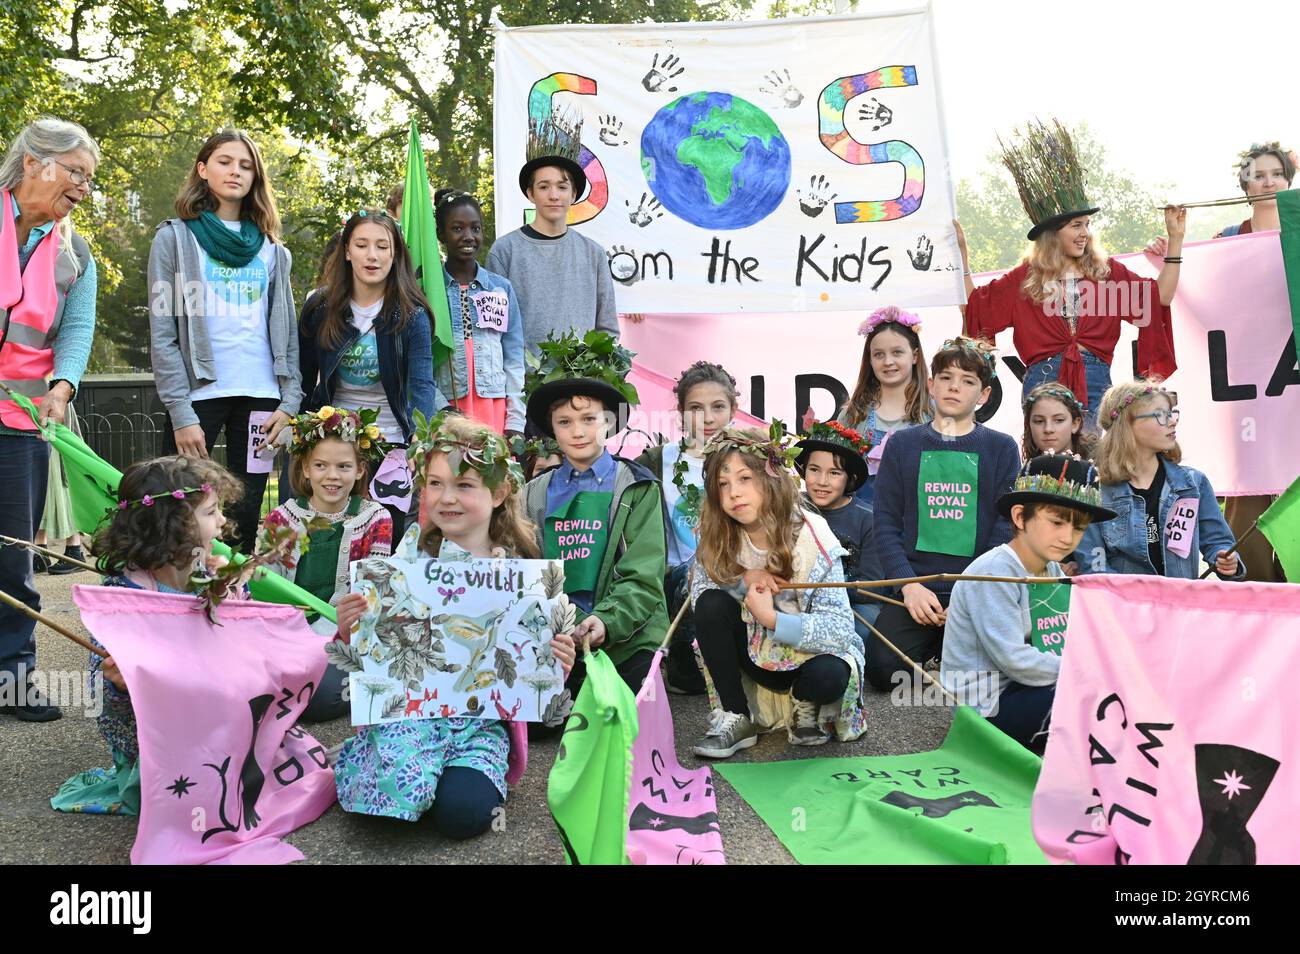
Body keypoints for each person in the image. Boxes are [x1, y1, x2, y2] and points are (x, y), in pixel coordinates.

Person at [333, 413, 576, 835]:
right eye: (435, 483)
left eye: (464, 485)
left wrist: (559, 657)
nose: (447, 497)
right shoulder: (411, 551)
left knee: (463, 815)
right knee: (387, 806)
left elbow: (534, 670)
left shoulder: (518, 569)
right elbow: (376, 644)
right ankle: (387, 768)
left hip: (479, 725)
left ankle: (450, 780)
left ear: (499, 491)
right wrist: (351, 624)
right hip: (409, 717)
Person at [958, 119, 1183, 424]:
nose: (1085, 234)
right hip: (1043, 383)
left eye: (1087, 226)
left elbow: (1160, 298)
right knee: (1049, 465)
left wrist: (1176, 240)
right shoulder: (1025, 278)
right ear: (1053, 233)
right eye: (1076, 226)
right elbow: (975, 306)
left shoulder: (1106, 273)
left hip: (1095, 384)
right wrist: (961, 257)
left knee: (1089, 463)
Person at [51, 456, 243, 813]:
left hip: (213, 724)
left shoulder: (212, 573)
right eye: (212, 511)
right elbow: (102, 698)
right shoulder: (124, 600)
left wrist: (232, 598)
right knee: (190, 798)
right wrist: (119, 686)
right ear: (174, 525)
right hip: (158, 747)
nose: (222, 521)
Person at [1148, 143, 1298, 583]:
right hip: (1244, 386)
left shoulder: (1298, 228)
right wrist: (1169, 250)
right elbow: (1192, 287)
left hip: (1291, 383)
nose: (1268, 182)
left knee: (1292, 480)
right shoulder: (1226, 241)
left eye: (1277, 174)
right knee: (1248, 486)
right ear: (1245, 186)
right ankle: (1250, 588)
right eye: (1258, 175)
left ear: (1289, 181)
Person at [149, 128, 302, 551]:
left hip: (261, 396)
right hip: (198, 396)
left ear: (256, 177)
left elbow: (286, 334)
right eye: (225, 161)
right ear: (203, 169)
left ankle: (231, 600)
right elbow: (163, 332)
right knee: (176, 505)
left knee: (246, 511)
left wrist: (289, 404)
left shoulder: (273, 250)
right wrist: (180, 412)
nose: (236, 171)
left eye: (246, 165)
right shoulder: (175, 239)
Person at [0, 117, 101, 722]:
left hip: (23, 416)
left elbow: (78, 329)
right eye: (77, 174)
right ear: (35, 162)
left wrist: (64, 386)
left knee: (14, 555)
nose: (83, 189)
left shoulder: (74, 251)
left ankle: (12, 678)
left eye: (89, 180)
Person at [688, 426, 866, 759]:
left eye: (744, 479)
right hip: (752, 656)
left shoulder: (813, 538)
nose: (733, 494)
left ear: (771, 477)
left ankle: (804, 706)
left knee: (831, 673)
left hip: (805, 661)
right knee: (712, 603)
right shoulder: (719, 535)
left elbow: (841, 631)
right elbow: (700, 595)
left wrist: (771, 617)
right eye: (723, 484)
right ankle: (736, 715)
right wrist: (743, 579)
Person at [870, 336, 1021, 691]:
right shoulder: (902, 445)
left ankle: (944, 657)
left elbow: (1005, 528)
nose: (955, 387)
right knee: (882, 670)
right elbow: (886, 523)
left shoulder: (1002, 448)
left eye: (968, 381)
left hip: (976, 588)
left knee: (995, 675)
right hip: (918, 590)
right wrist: (908, 585)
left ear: (983, 395)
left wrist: (973, 592)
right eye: (947, 377)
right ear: (931, 384)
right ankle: (937, 655)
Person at [521, 331, 668, 696]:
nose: (578, 431)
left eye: (588, 419)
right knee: (537, 717)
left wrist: (604, 621)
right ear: (552, 430)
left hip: (624, 637)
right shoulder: (532, 493)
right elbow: (523, 570)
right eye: (565, 422)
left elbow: (643, 575)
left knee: (627, 702)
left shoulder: (638, 486)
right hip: (555, 637)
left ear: (608, 422)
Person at [941, 453, 1116, 754]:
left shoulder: (1051, 568)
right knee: (1089, 702)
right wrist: (1085, 668)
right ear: (1020, 517)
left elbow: (1064, 634)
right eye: (1057, 522)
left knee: (1108, 693)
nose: (1067, 537)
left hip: (1029, 686)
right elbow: (1014, 660)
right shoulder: (996, 571)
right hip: (987, 705)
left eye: (1078, 528)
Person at [298, 209, 435, 536]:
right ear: (347, 251)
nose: (371, 255)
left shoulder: (413, 315)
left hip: (392, 445)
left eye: (382, 246)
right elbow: (303, 380)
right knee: (329, 538)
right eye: (361, 245)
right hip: (335, 440)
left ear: (395, 253)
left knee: (388, 539)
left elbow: (423, 384)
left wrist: (420, 435)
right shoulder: (319, 307)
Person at [258, 406, 393, 721]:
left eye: (344, 466)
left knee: (319, 699)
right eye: (320, 465)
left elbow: (371, 594)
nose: (332, 476)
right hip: (287, 634)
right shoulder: (281, 518)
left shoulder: (375, 518)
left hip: (343, 636)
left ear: (360, 470)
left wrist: (348, 634)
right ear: (305, 468)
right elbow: (265, 587)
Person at [636, 360, 739, 694]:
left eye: (718, 407)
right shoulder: (657, 460)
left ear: (733, 409)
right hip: (678, 580)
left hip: (740, 573)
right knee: (694, 573)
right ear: (680, 411)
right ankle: (684, 659)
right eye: (696, 408)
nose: (707, 418)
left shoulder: (752, 457)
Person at [1079, 381, 1246, 581]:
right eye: (1159, 415)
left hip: (1181, 607)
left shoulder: (1193, 483)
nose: (1172, 421)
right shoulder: (1094, 492)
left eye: (1171, 413)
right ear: (1127, 425)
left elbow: (1218, 542)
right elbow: (1093, 565)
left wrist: (1227, 560)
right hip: (1125, 609)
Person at [485, 115, 619, 357]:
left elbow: (607, 329)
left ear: (574, 193)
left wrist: (593, 371)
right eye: (544, 187)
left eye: (562, 186)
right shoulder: (505, 251)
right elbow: (494, 330)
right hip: (524, 386)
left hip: (583, 383)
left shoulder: (593, 253)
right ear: (530, 193)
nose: (554, 195)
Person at [433, 189, 526, 440]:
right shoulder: (430, 292)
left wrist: (516, 418)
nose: (468, 237)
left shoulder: (501, 288)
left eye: (475, 228)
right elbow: (420, 361)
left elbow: (514, 357)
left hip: (494, 409)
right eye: (457, 228)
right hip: (450, 410)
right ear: (441, 234)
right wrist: (439, 408)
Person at [836, 305, 932, 504]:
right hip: (863, 527)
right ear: (869, 360)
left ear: (914, 355)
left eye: (897, 352)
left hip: (919, 525)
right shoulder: (852, 415)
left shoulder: (934, 413)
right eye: (879, 354)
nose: (888, 361)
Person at [796, 419, 881, 635]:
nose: (822, 481)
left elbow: (873, 586)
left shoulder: (868, 520)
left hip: (854, 603)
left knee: (860, 629)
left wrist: (826, 590)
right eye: (814, 470)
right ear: (804, 470)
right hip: (796, 597)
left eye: (834, 473)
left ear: (850, 479)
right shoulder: (792, 509)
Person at [1022, 382, 1095, 460]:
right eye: (1039, 421)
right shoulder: (1028, 468)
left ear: (1075, 424)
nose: (1048, 429)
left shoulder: (1100, 466)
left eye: (1059, 420)